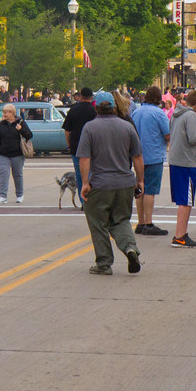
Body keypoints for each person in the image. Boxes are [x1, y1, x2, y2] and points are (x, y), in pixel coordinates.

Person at [76, 91, 144, 276]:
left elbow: (84, 159)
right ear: (114, 106)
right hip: (124, 183)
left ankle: (104, 263)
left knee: (98, 223)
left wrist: (84, 183)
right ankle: (130, 248)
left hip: (100, 184)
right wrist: (140, 180)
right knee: (121, 220)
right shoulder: (127, 127)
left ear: (96, 106)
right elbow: (137, 156)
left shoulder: (89, 128)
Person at [131, 86, 170, 236]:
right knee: (150, 191)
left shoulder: (136, 112)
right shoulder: (159, 113)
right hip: (153, 155)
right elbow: (168, 134)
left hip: (137, 156)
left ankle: (140, 223)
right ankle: (149, 223)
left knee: (139, 189)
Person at [169, 89, 196, 248]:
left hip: (175, 160)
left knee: (182, 200)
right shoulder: (190, 115)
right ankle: (180, 235)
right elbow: (194, 138)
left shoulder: (176, 114)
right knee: (186, 200)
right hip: (186, 161)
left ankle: (180, 233)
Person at [62, 87, 97, 207]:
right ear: (91, 97)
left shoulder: (73, 110)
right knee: (92, 174)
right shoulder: (94, 111)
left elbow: (67, 130)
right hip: (92, 147)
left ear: (81, 96)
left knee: (80, 174)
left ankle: (83, 201)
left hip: (76, 146)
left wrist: (69, 144)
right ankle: (92, 199)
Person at [0, 104, 33, 204]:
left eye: (6, 112)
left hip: (17, 154)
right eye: (3, 112)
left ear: (12, 113)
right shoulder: (1, 124)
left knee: (17, 174)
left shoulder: (20, 122)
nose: (4, 114)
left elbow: (29, 135)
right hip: (4, 154)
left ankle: (19, 195)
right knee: (4, 174)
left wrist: (21, 129)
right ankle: (3, 196)